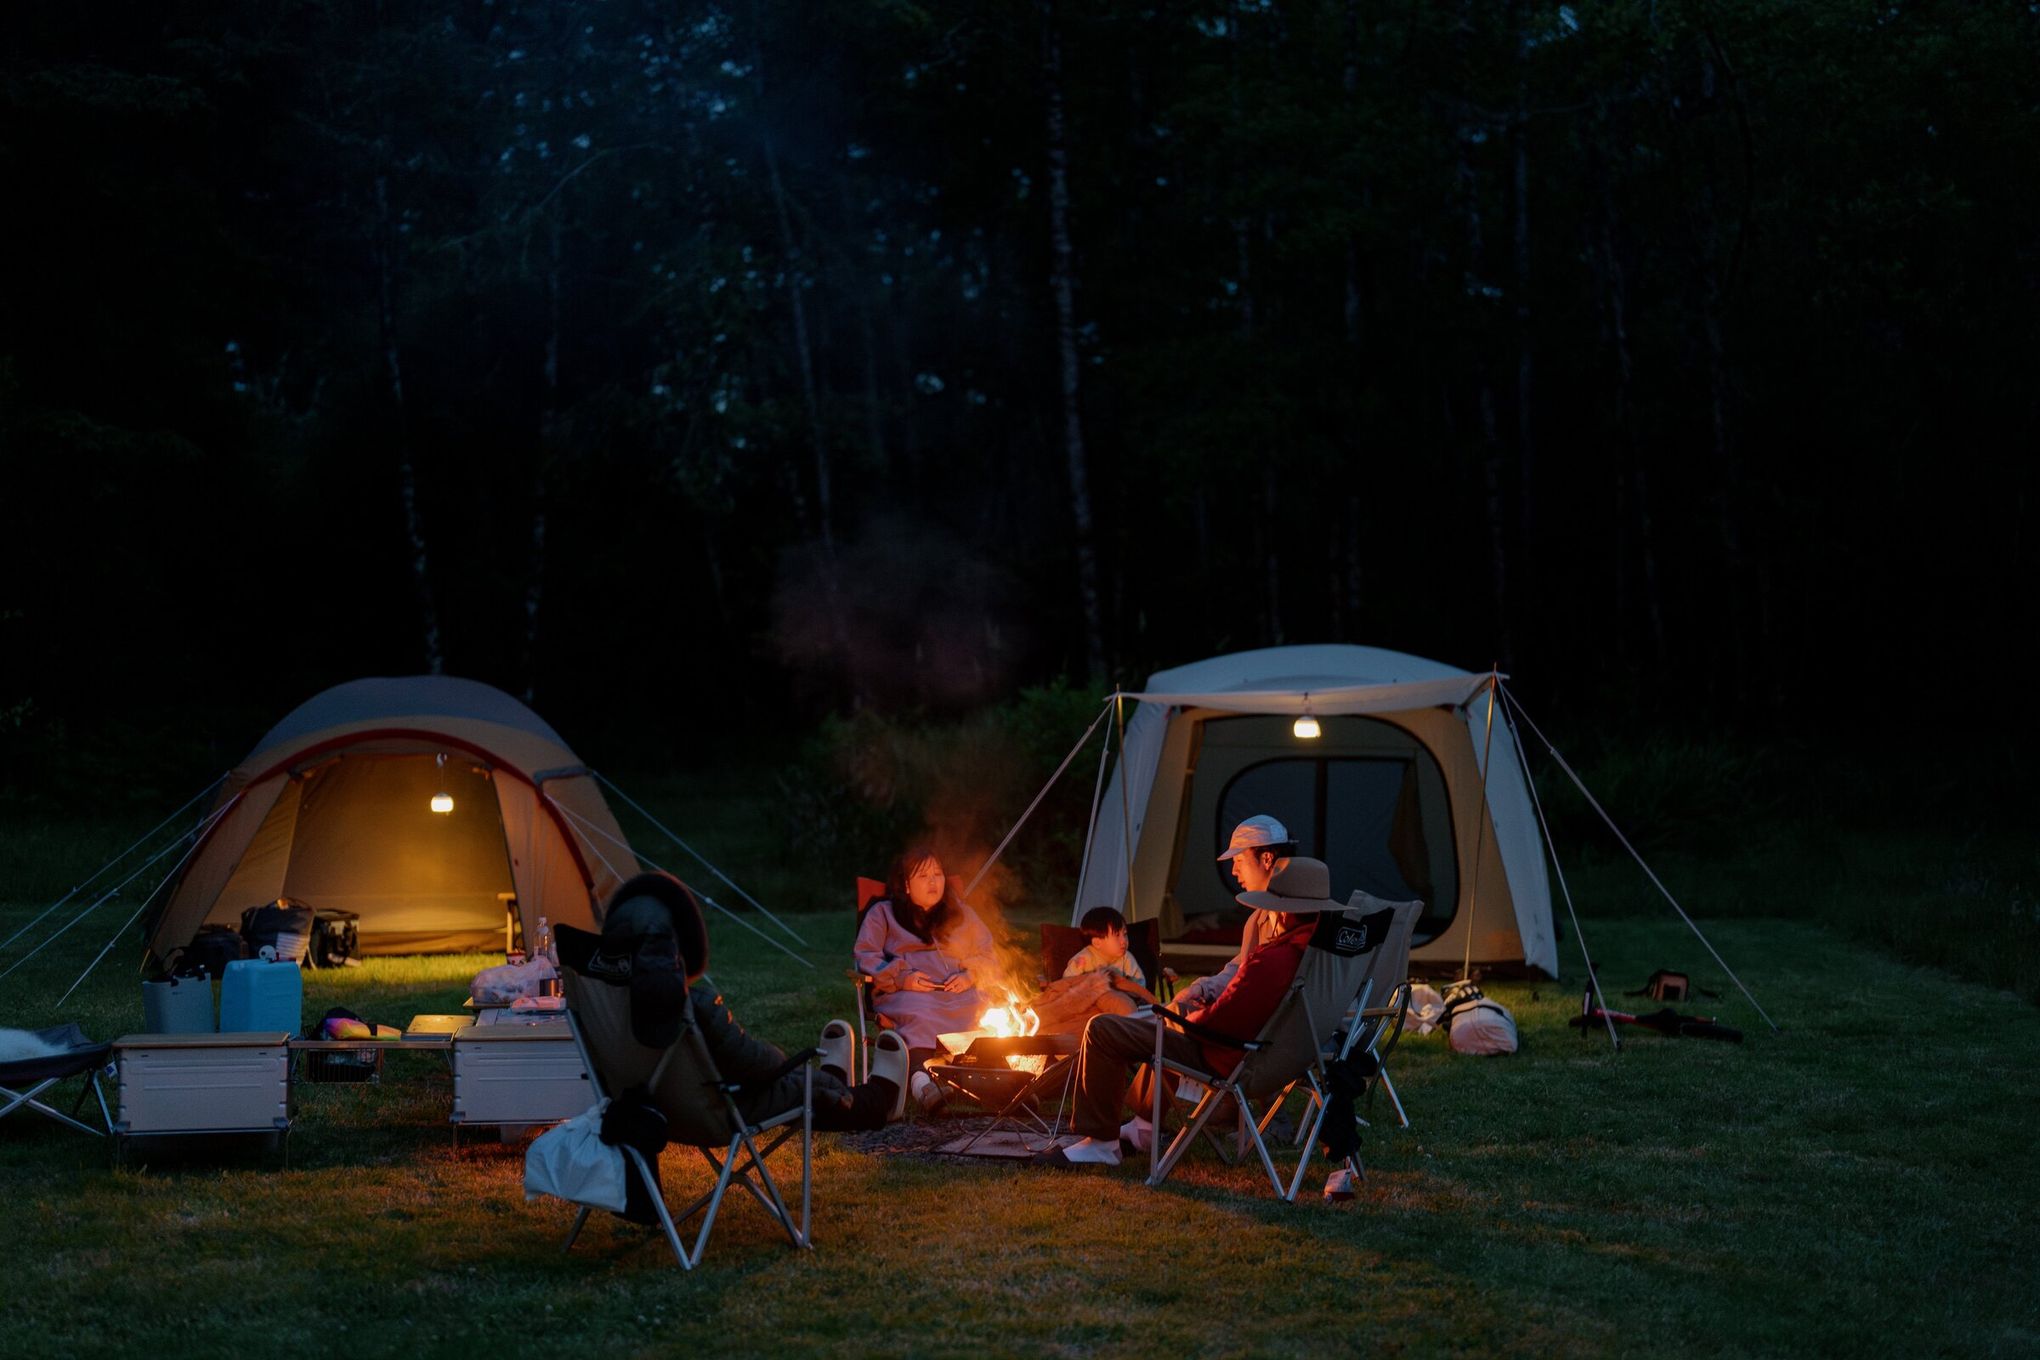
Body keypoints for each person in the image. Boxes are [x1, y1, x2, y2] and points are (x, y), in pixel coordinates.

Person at [1034, 857, 1340, 1169]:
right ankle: (1143, 1127)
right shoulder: (1320, 960)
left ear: (1284, 911)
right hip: (1278, 1056)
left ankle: (1100, 1144)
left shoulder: (1273, 960)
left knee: (1104, 1028)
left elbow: (1225, 1020)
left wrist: (1189, 1021)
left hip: (1228, 1057)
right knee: (1163, 1023)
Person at [596, 873, 913, 1131]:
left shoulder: (603, 1005)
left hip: (658, 1109)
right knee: (802, 1084)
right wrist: (778, 1057)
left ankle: (837, 1081)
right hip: (720, 1111)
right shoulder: (698, 1007)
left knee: (813, 1082)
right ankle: (882, 1100)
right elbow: (757, 1066)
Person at [853, 847, 999, 1113]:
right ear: (906, 885)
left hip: (955, 987)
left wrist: (970, 975)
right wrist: (902, 979)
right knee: (921, 1011)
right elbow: (866, 955)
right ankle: (922, 1081)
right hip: (906, 991)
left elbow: (988, 952)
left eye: (938, 874)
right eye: (923, 876)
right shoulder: (883, 913)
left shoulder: (961, 913)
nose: (933, 882)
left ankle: (991, 1081)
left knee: (981, 1008)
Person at [1171, 814, 1298, 1012]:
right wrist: (1202, 988)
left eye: (1239, 860)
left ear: (1266, 858)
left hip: (1269, 1028)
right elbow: (1240, 967)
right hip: (1307, 1030)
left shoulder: (1301, 920)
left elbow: (1252, 977)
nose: (1233, 871)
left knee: (1115, 1028)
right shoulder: (1260, 918)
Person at [1062, 906, 1148, 990]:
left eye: (1125, 934)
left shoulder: (1126, 957)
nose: (1124, 940)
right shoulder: (1083, 959)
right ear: (1097, 943)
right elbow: (1067, 983)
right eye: (1117, 935)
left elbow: (1139, 983)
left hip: (1121, 999)